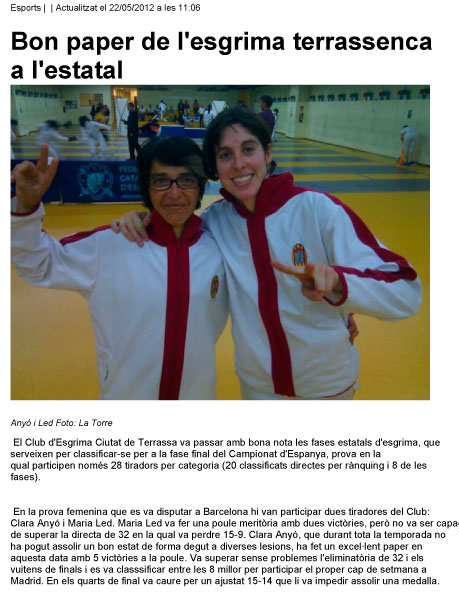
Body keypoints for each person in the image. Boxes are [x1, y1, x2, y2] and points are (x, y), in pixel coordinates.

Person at [113, 108, 421, 400]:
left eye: (248, 149)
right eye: (225, 155)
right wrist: (140, 218)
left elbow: (406, 290)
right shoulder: (214, 223)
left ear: (268, 153)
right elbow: (176, 236)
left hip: (327, 386)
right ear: (215, 167)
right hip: (258, 388)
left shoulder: (318, 210)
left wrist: (340, 284)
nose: (238, 164)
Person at [11, 137, 227, 400]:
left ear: (201, 185)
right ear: (145, 187)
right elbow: (38, 265)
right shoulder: (109, 245)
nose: (174, 193)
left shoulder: (219, 247)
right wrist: (26, 208)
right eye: (160, 181)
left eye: (187, 180)